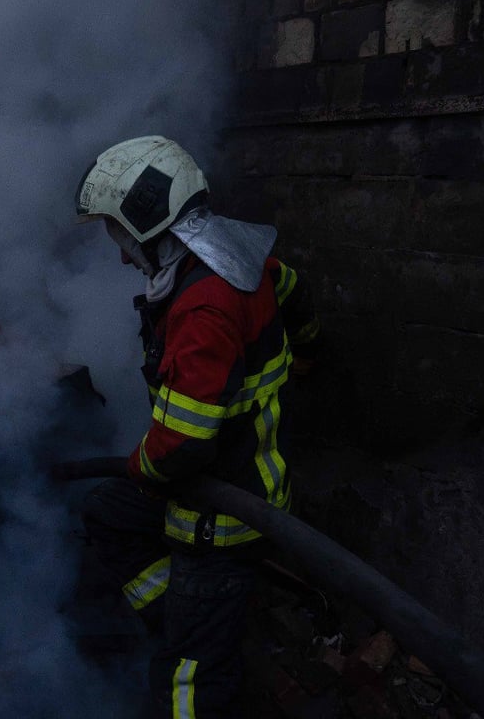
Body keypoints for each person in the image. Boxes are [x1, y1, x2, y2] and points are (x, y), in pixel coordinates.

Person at [74, 136, 318, 717]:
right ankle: (181, 620)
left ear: (150, 223)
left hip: (223, 515)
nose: (119, 256)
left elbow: (182, 443)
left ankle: (194, 639)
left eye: (119, 237)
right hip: (213, 481)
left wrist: (141, 465)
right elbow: (293, 289)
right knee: (107, 514)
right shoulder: (243, 259)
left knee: (185, 686)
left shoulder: (203, 307)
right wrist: (309, 346)